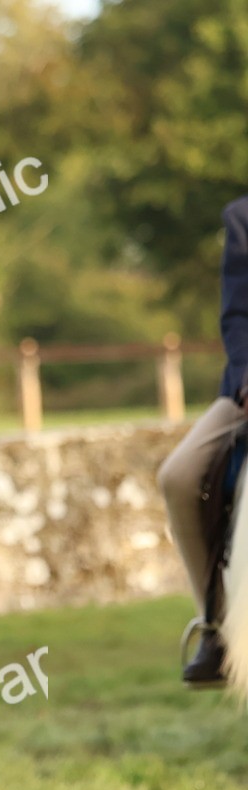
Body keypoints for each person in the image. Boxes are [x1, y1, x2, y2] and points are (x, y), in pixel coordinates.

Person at [158, 196, 248, 688]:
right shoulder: (242, 219)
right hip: (247, 392)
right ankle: (215, 627)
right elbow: (237, 319)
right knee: (179, 475)